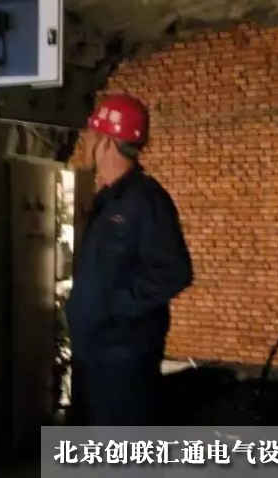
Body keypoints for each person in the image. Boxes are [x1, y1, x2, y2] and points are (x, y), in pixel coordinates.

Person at [65, 94, 193, 426]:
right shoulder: (108, 201)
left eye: (92, 134)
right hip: (92, 354)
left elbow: (174, 271)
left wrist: (114, 306)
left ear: (108, 142)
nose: (86, 141)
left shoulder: (146, 200)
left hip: (123, 361)